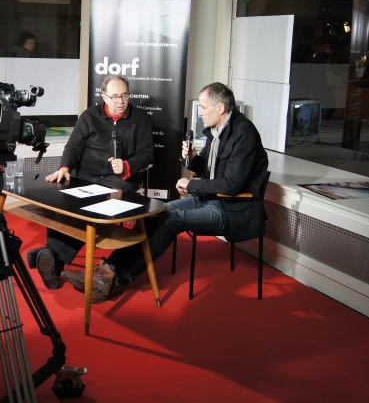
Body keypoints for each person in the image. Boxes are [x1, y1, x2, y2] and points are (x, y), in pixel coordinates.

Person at [60, 82, 268, 300]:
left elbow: (231, 185)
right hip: (211, 199)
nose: (200, 113)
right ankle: (107, 272)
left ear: (220, 109)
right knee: (157, 213)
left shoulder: (244, 134)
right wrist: (195, 159)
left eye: (204, 108)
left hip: (233, 209)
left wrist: (191, 185)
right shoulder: (218, 131)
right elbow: (209, 170)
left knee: (173, 219)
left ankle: (115, 279)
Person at [26, 74, 154, 290]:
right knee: (68, 200)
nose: (120, 101)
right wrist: (65, 168)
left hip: (118, 179)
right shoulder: (89, 116)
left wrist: (127, 165)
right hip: (85, 175)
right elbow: (73, 147)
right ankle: (52, 258)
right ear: (104, 97)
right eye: (114, 96)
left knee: (100, 201)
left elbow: (148, 154)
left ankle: (52, 255)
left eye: (124, 95)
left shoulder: (140, 118)